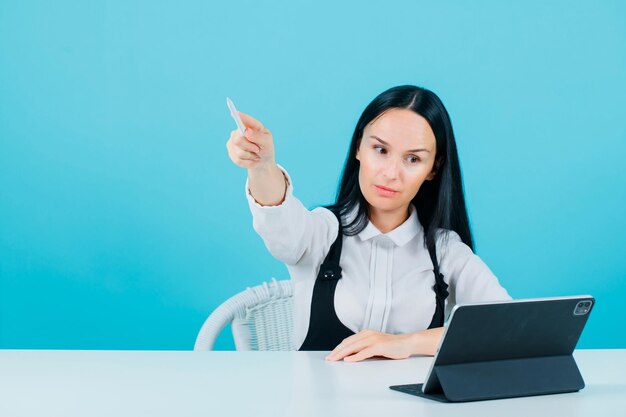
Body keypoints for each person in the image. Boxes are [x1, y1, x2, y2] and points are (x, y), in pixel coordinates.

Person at [225, 85, 511, 362]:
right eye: (380, 150)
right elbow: (279, 216)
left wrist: (406, 343)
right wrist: (262, 166)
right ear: (358, 148)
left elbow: (506, 327)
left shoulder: (445, 250)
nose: (391, 173)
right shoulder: (321, 233)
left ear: (433, 169)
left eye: (413, 159)